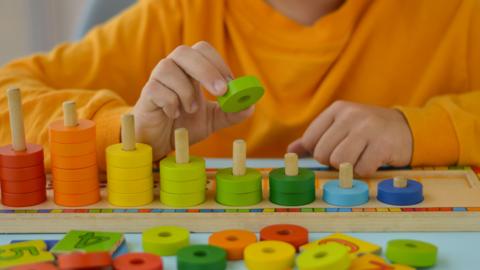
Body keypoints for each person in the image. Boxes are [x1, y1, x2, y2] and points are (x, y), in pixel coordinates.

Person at [0, 0, 479, 177]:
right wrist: (125, 135)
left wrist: (419, 129)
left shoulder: (458, 14)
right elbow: (8, 93)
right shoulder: (174, 15)